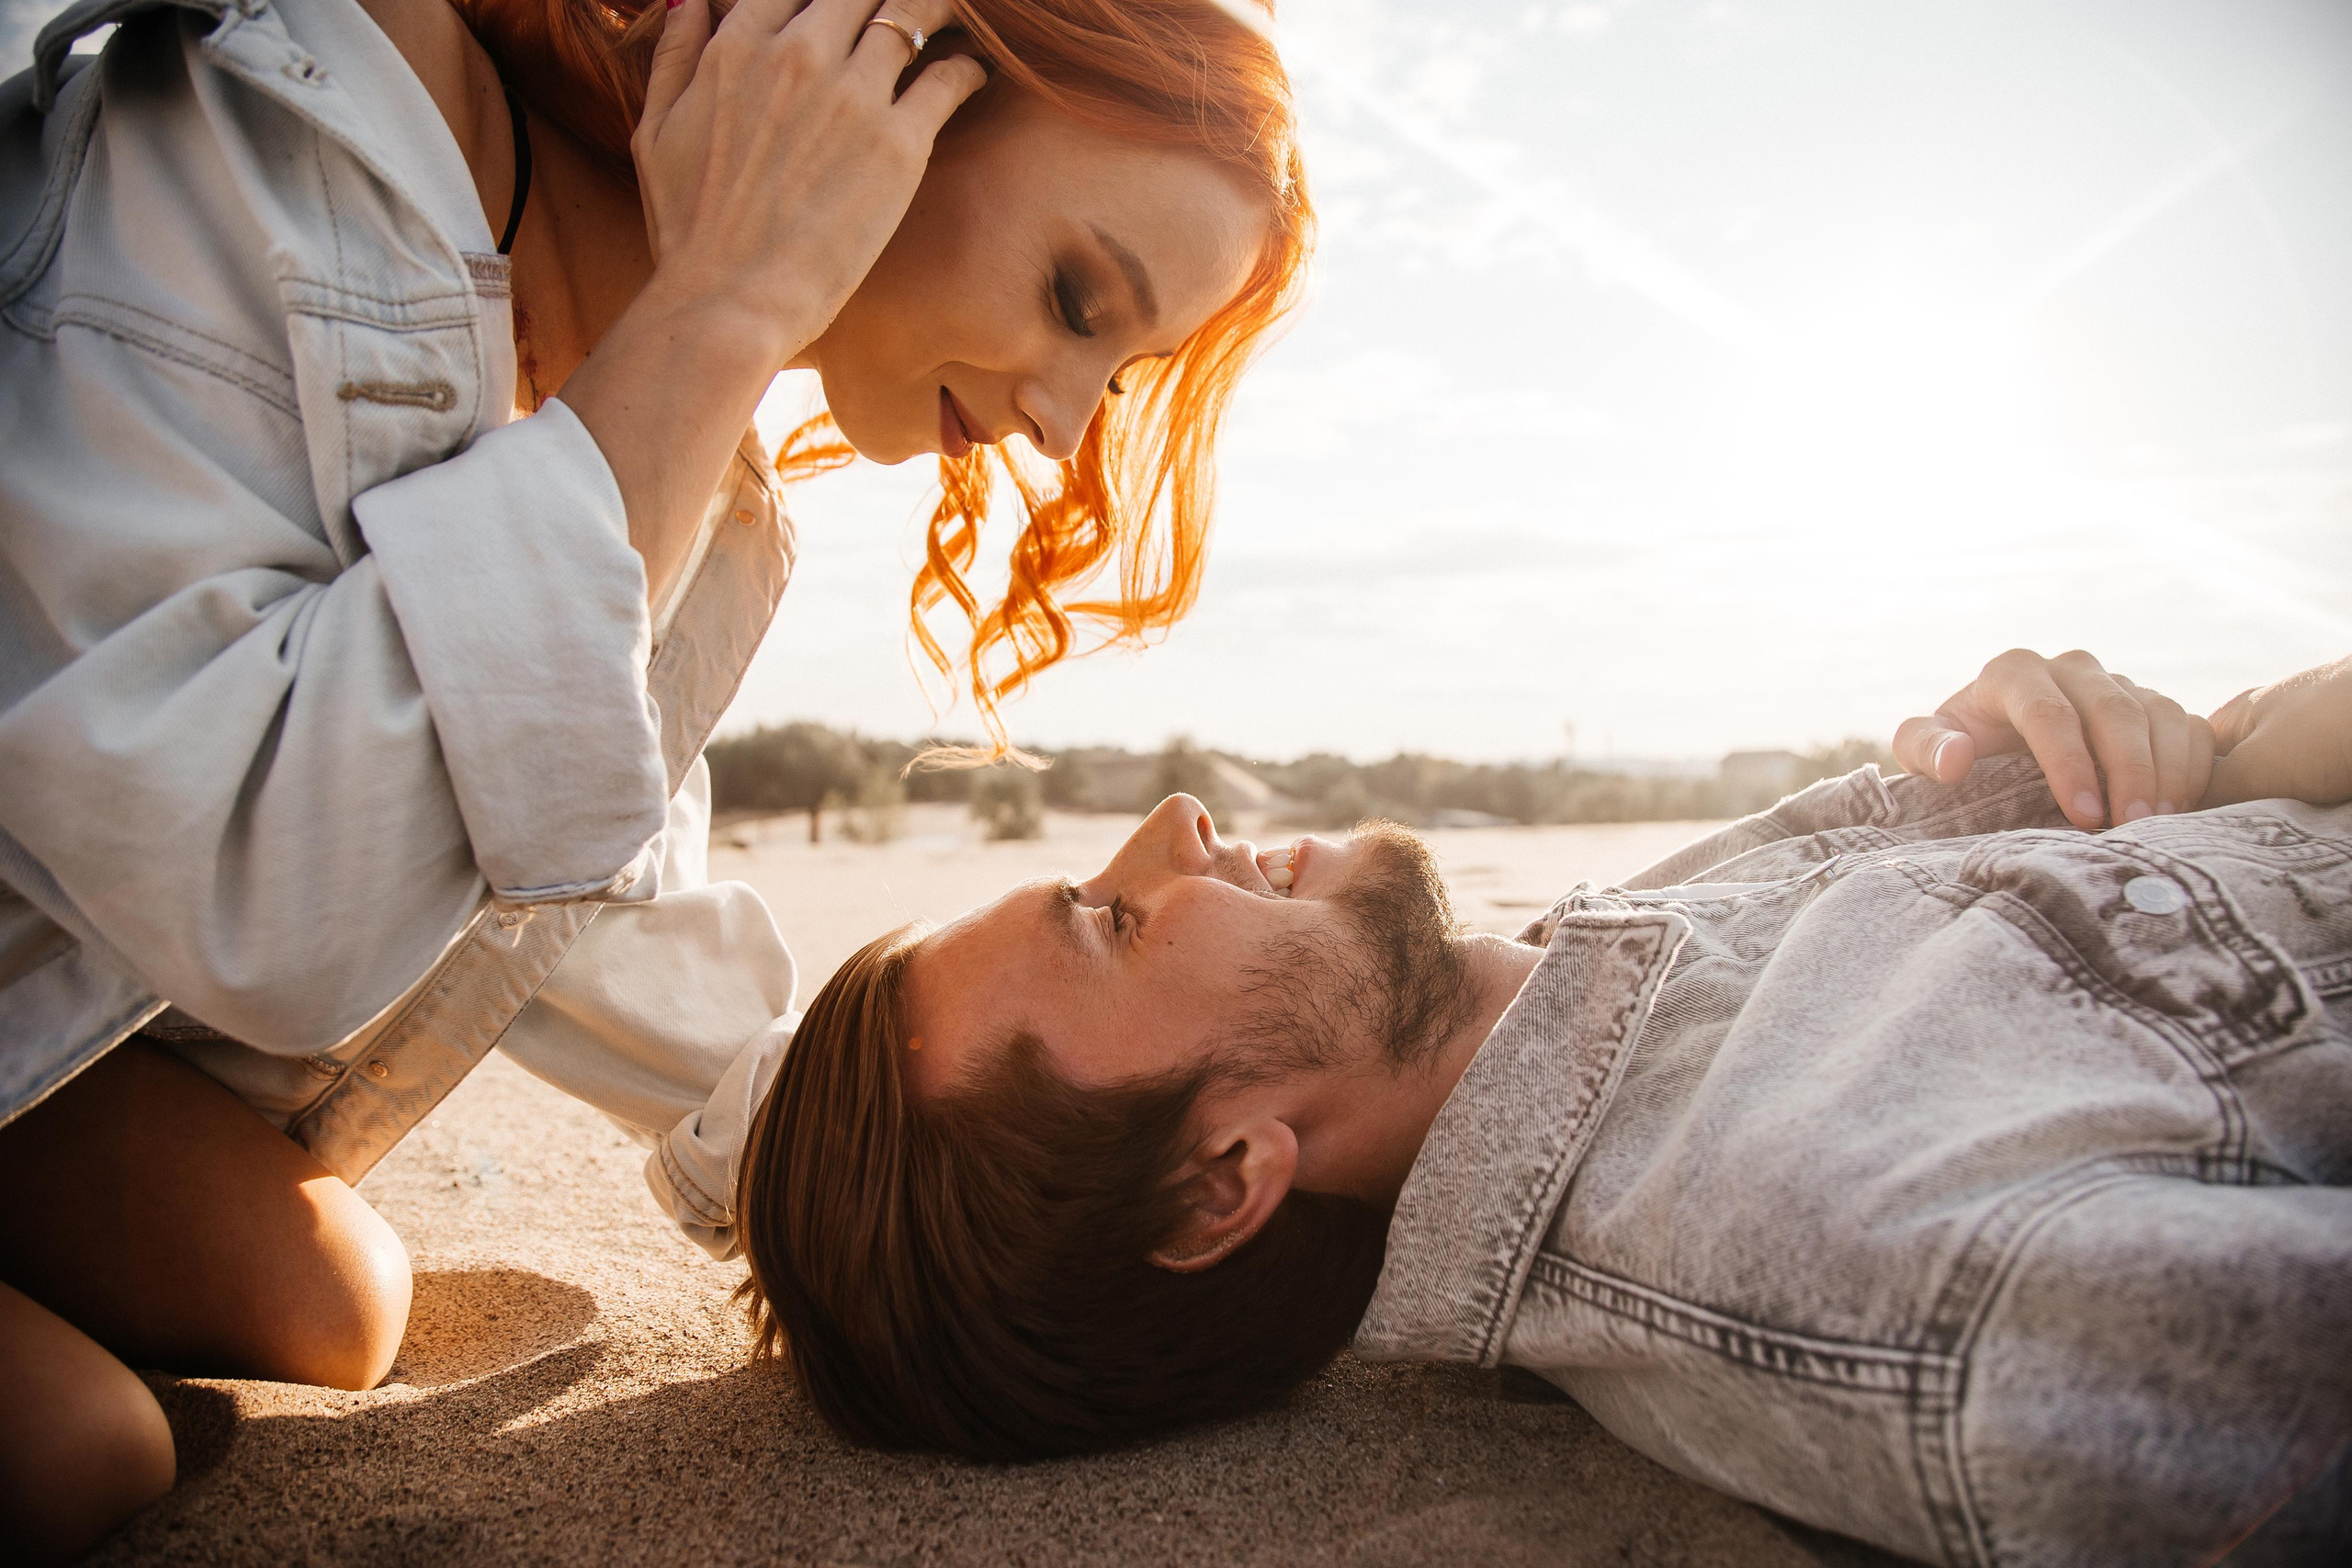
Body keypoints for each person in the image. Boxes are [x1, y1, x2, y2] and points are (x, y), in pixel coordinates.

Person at [0, 0, 1308, 1556]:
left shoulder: (687, 444)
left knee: (331, 1304)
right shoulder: (297, 149)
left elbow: (595, 902)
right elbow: (259, 891)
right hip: (194, 895)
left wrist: (1011, 1198)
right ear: (870, 71)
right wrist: (733, 300)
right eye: (1077, 294)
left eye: (1121, 363)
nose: (1063, 423)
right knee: (82, 1453)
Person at [734, 649, 2352, 1567]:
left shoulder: (1616, 946)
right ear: (1221, 1181)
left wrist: (2206, 740)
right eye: (1112, 917)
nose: (1169, 821)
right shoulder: (1863, 1253)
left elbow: (2250, 761)